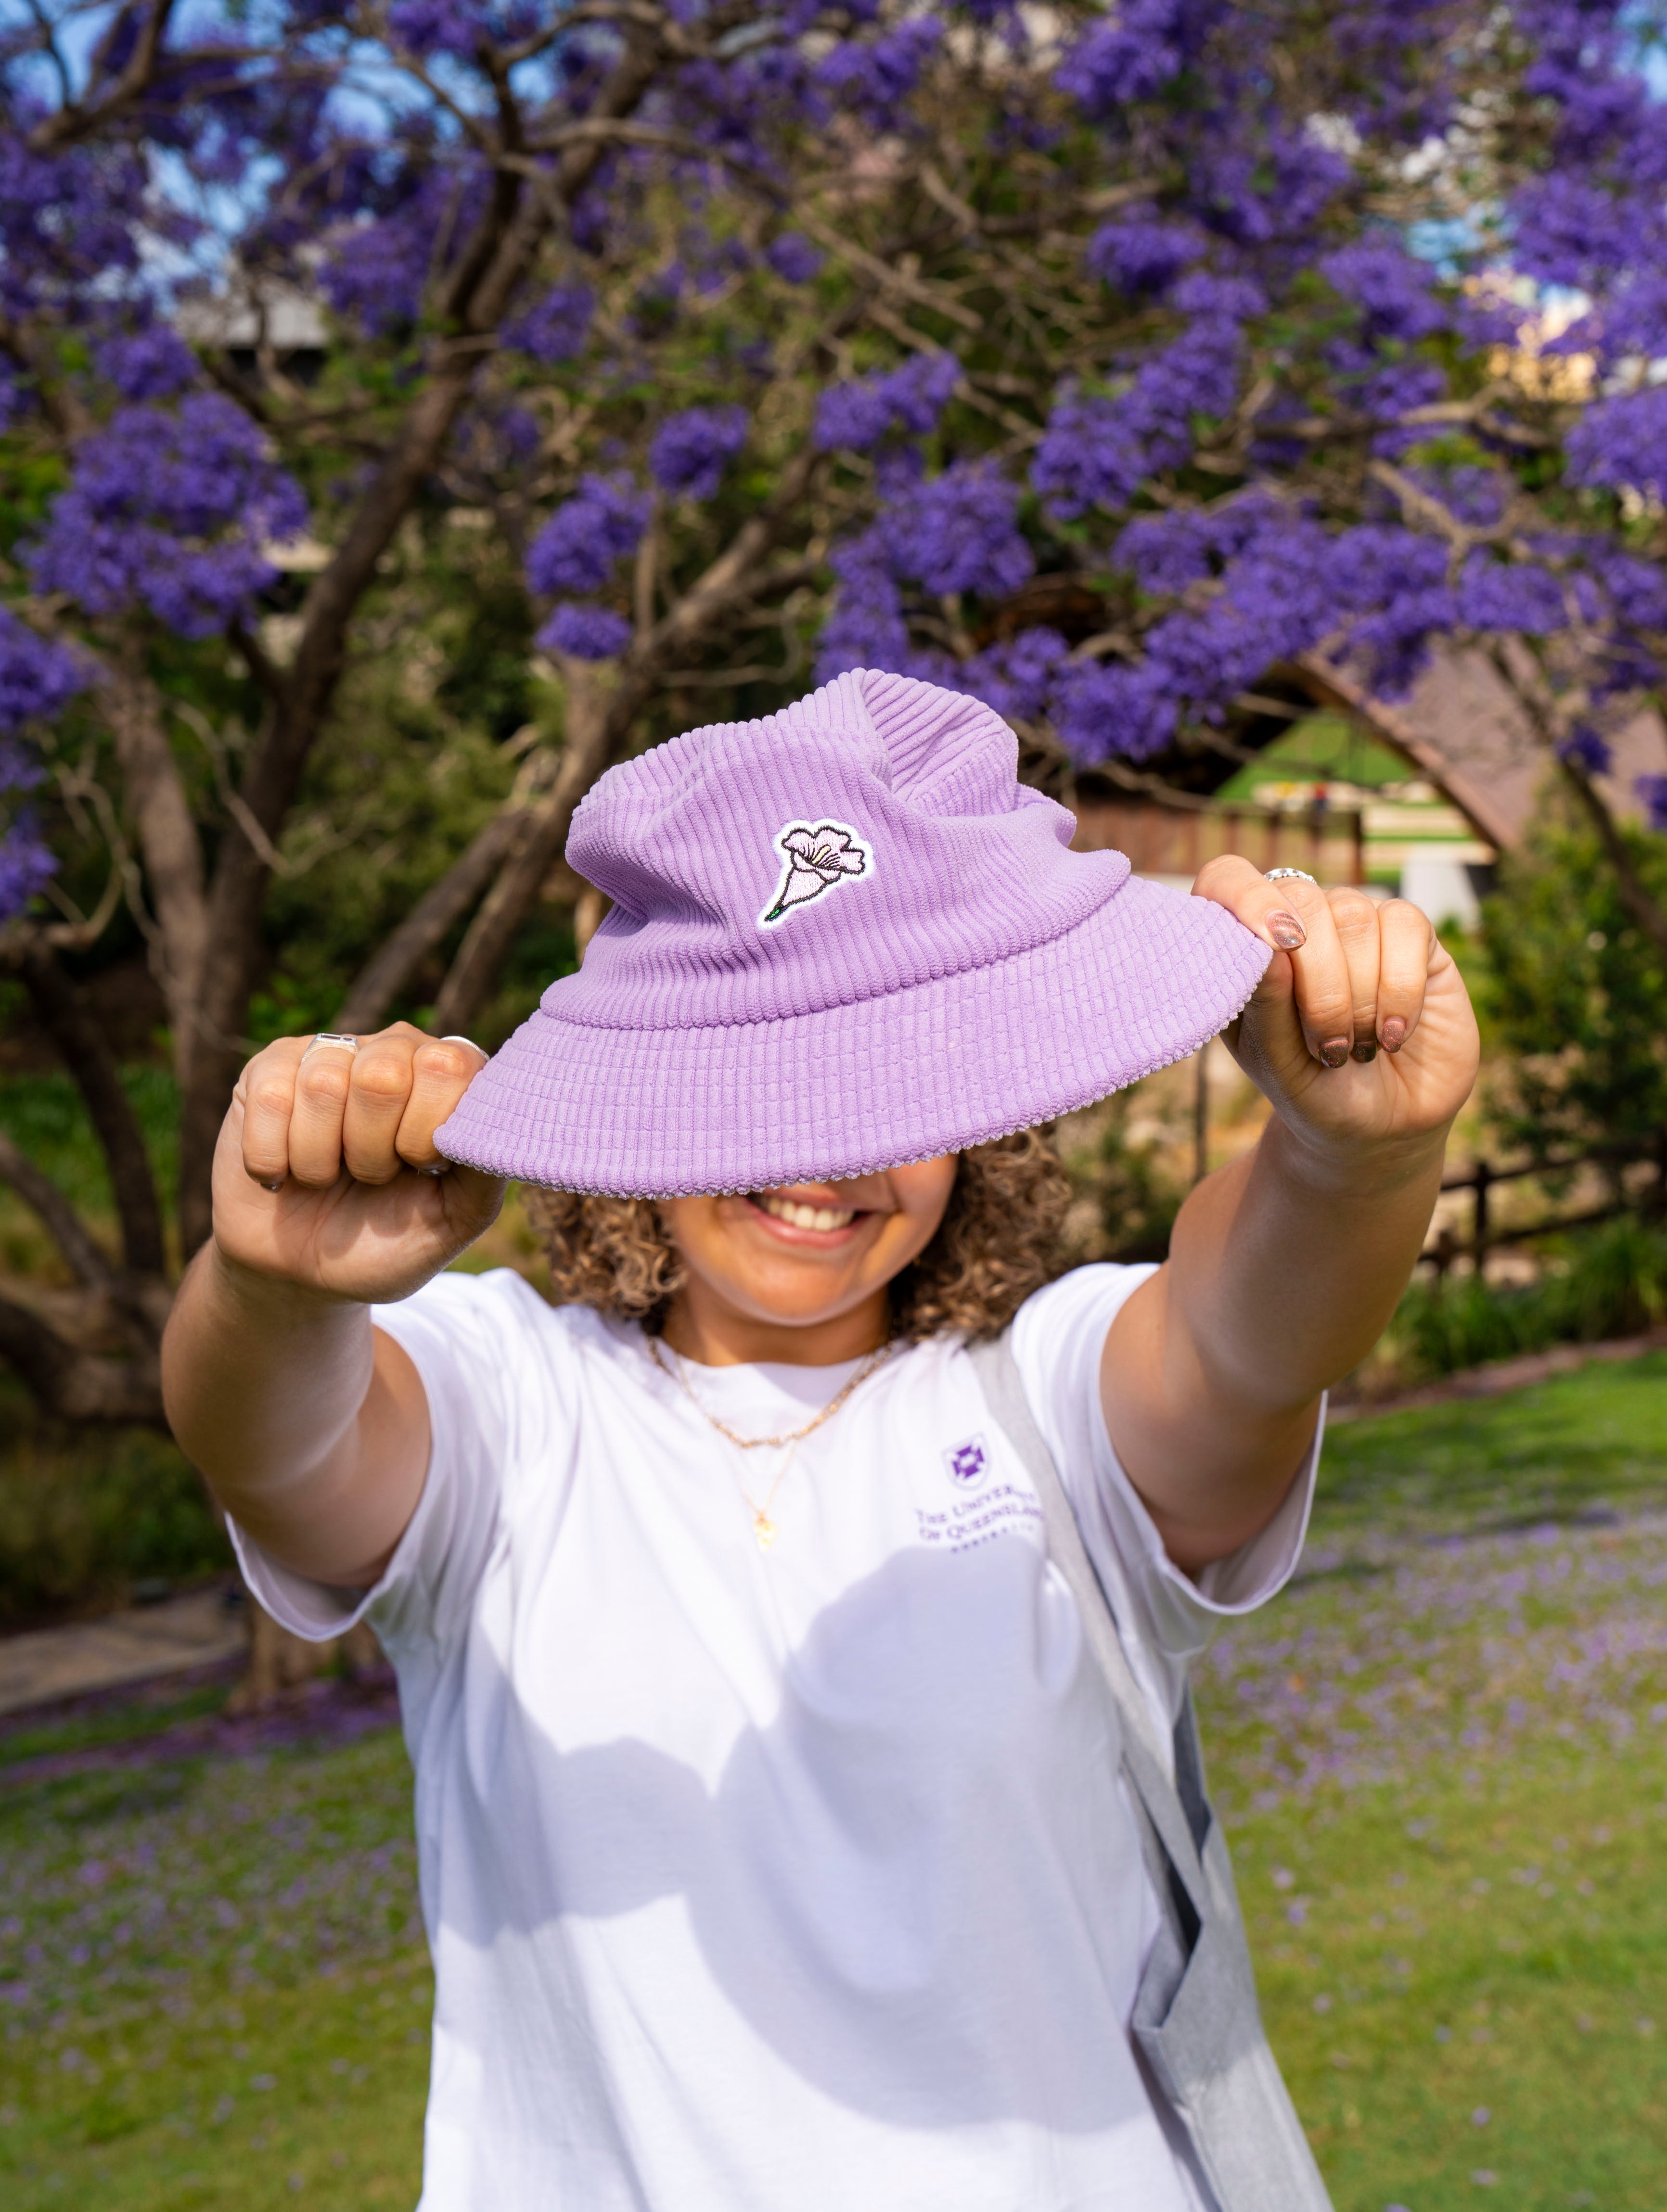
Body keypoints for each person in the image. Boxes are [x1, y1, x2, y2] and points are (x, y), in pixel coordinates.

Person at [162, 668, 1479, 2212]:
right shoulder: (510, 1403)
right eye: (767, 1071)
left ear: (981, 1110)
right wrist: (269, 1282)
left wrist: (1351, 1158)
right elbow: (280, 1443)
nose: (831, 1150)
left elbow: (1244, 1344)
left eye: (891, 1077)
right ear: (650, 1085)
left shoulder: (1040, 1392)